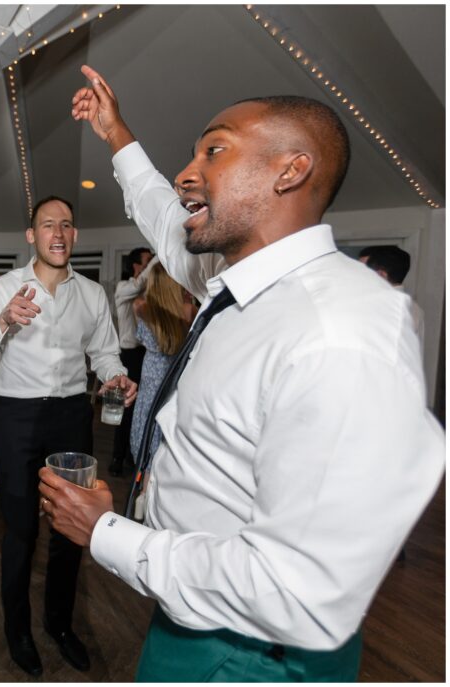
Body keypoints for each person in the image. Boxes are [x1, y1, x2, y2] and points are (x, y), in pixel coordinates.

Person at [39, 66, 445, 682]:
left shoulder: (338, 329)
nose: (185, 172)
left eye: (215, 150)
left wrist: (107, 533)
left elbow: (299, 590)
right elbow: (163, 219)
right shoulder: (232, 285)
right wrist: (116, 134)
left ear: (291, 169)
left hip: (254, 653)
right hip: (196, 616)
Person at [0, 195, 137, 677]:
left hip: (71, 416)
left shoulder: (93, 294)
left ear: (74, 235)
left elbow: (104, 354)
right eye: (46, 225)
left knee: (70, 526)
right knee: (21, 527)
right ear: (31, 235)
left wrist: (115, 376)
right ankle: (17, 630)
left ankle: (60, 626)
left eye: (65, 225)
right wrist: (3, 320)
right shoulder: (5, 287)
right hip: (15, 417)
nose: (57, 233)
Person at [129, 261, 197, 461]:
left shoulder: (141, 308)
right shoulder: (189, 311)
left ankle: (143, 479)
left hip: (150, 382)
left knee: (146, 433)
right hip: (176, 378)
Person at [111, 246, 153, 475]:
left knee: (140, 407)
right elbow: (138, 285)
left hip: (145, 353)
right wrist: (158, 261)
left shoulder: (147, 292)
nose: (149, 265)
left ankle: (132, 456)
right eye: (147, 261)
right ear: (136, 265)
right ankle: (117, 457)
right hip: (127, 354)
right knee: (125, 407)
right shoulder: (124, 287)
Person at [359, 244, 424, 342]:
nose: (356, 274)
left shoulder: (376, 307)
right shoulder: (415, 309)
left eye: (362, 270)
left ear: (381, 274)